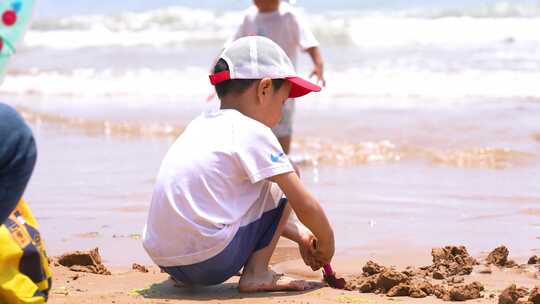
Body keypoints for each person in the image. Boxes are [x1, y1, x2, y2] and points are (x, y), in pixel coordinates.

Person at [143, 36, 334, 292]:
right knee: (289, 173)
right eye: (283, 102)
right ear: (264, 89)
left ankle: (187, 276)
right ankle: (257, 274)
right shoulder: (254, 131)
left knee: (259, 183)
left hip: (165, 257)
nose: (281, 114)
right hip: (211, 260)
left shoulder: (199, 125)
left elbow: (233, 207)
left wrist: (300, 234)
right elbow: (305, 204)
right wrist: (327, 242)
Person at [229, 0, 325, 153]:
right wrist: (220, 68)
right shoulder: (249, 16)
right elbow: (233, 46)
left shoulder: (289, 16)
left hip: (284, 84)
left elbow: (309, 43)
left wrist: (318, 64)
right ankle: (257, 161)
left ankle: (283, 158)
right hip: (253, 83)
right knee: (254, 125)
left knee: (283, 126)